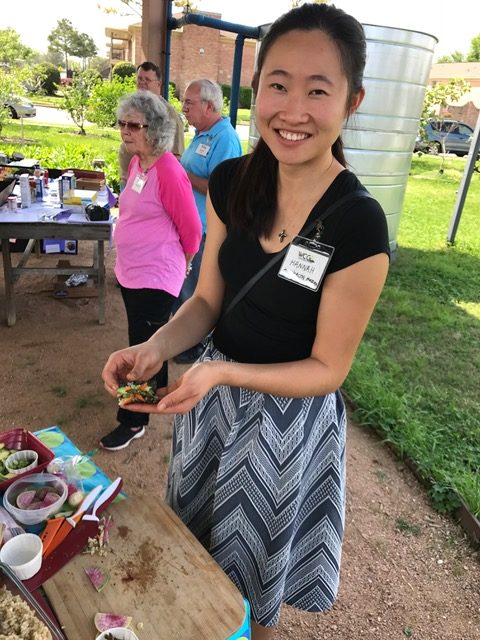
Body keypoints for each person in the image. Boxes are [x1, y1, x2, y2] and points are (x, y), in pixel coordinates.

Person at [102, 3, 390, 637]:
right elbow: (207, 301)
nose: (293, 110)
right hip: (211, 400)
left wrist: (224, 373)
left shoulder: (358, 222)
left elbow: (328, 369)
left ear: (352, 100)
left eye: (319, 90)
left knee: (249, 586)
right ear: (256, 90)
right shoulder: (232, 182)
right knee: (192, 553)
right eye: (278, 85)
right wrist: (156, 347)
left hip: (284, 424)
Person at [100, 90, 201, 451]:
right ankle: (151, 399)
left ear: (155, 129)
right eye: (122, 123)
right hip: (132, 270)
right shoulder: (137, 163)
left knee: (143, 347)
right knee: (145, 341)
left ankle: (133, 421)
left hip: (156, 275)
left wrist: (185, 263)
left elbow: (192, 230)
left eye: (134, 125)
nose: (125, 130)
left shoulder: (169, 171)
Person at [172, 79, 242, 364]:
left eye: (189, 103)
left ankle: (189, 345)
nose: (184, 108)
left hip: (205, 230)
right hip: (189, 226)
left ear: (209, 106)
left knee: (194, 289)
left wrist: (183, 175)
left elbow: (222, 189)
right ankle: (181, 339)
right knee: (183, 284)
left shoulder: (225, 138)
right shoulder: (202, 134)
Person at [118, 61, 185, 190]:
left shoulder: (167, 114)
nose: (142, 83)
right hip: (130, 178)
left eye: (147, 80)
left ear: (158, 84)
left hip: (149, 184)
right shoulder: (133, 107)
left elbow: (176, 156)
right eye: (140, 79)